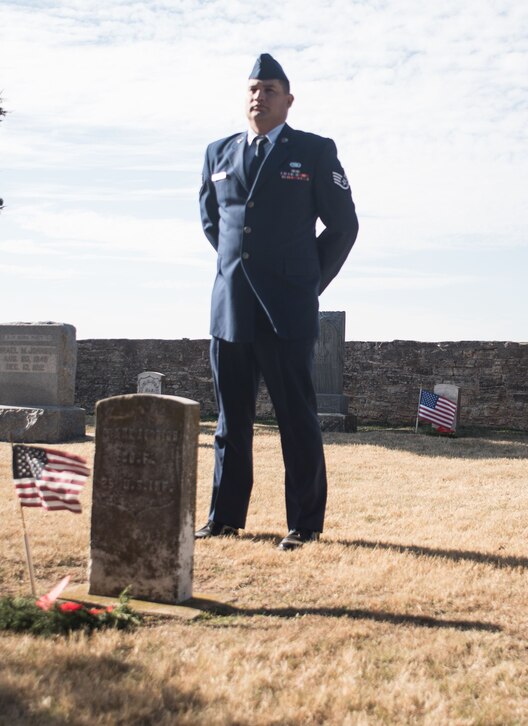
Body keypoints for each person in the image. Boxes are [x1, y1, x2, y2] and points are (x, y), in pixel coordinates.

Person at [196, 53, 358, 550]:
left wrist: (307, 281)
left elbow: (344, 226)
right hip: (231, 310)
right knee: (231, 421)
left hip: (287, 309)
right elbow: (213, 224)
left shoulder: (312, 151)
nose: (257, 97)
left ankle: (304, 524)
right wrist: (236, 274)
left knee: (296, 420)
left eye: (269, 89)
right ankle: (225, 517)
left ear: (288, 100)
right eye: (252, 88)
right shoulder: (217, 153)